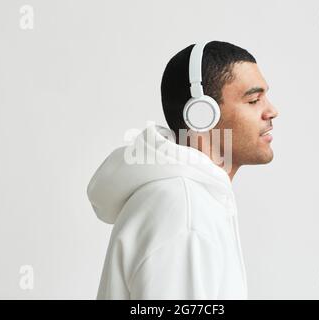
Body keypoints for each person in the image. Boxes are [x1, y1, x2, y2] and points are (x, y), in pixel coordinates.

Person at [87, 40, 278, 299]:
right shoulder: (186, 213)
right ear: (202, 114)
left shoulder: (191, 200)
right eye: (254, 100)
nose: (272, 111)